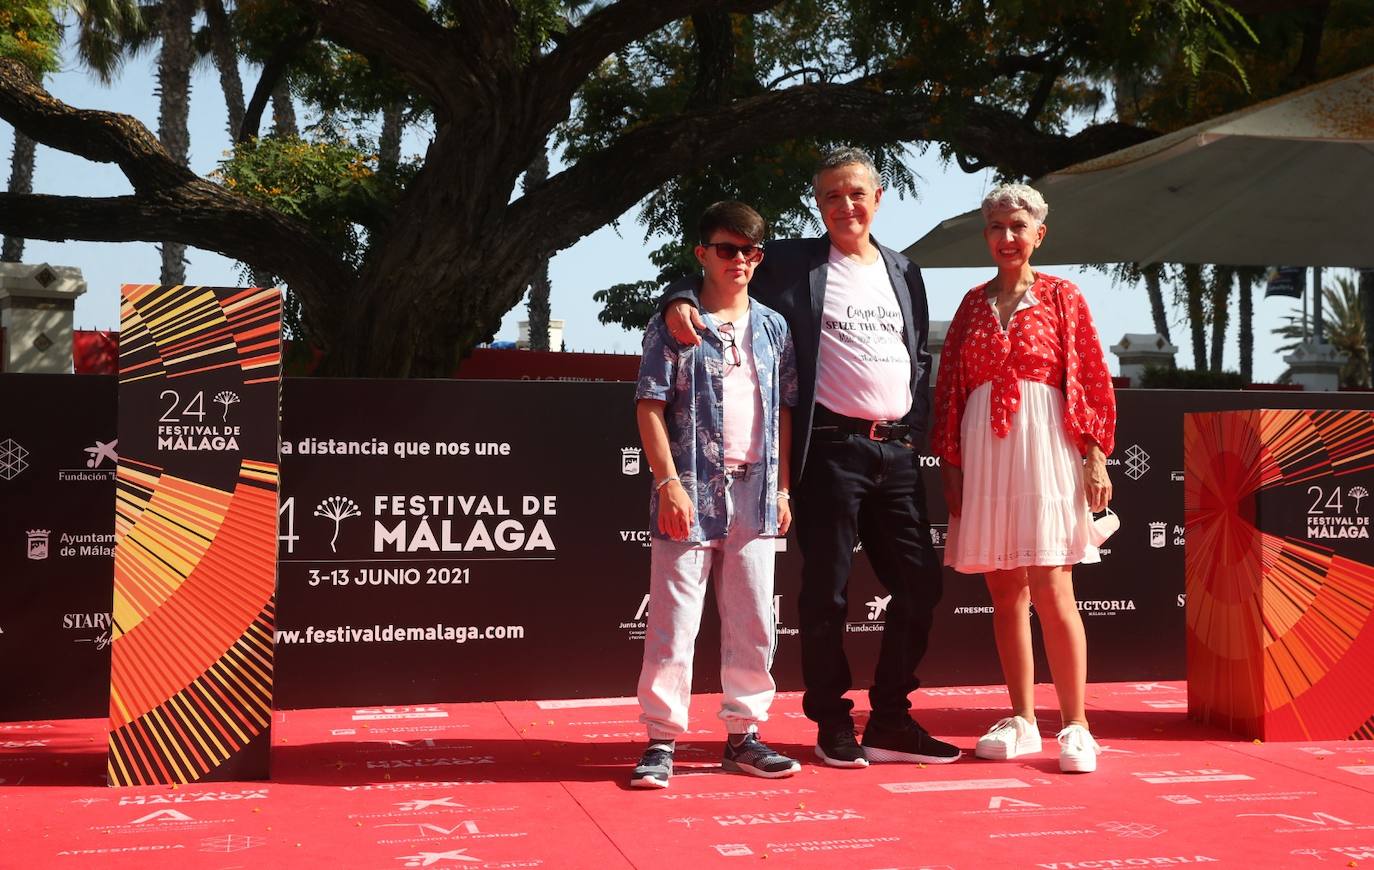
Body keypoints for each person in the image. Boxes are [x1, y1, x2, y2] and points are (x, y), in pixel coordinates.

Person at [663, 148, 959, 768]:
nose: (844, 206)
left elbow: (919, 355)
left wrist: (918, 428)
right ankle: (832, 723)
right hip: (829, 449)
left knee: (920, 585)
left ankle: (892, 720)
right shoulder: (794, 262)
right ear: (818, 205)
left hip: (898, 451)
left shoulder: (905, 270)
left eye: (855, 193)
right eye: (830, 196)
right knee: (827, 593)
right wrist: (676, 299)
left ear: (877, 199)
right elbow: (718, 268)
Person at [931, 183, 1116, 774]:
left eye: (1017, 227)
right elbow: (951, 391)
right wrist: (952, 464)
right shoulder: (969, 302)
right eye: (996, 228)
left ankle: (1077, 726)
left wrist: (1095, 454)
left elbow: (1088, 374)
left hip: (1049, 442)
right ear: (986, 236)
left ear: (1039, 234)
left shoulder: (1063, 295)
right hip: (987, 447)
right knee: (1004, 589)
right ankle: (1022, 719)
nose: (1006, 238)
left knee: (1053, 585)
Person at [630, 200, 801, 789]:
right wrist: (669, 482)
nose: (740, 261)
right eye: (727, 249)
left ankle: (744, 735)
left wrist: (782, 488)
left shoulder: (775, 327)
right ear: (702, 253)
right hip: (691, 488)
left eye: (751, 251)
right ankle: (661, 739)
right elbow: (649, 407)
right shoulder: (674, 322)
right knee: (675, 620)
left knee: (754, 620)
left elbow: (783, 410)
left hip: (757, 489)